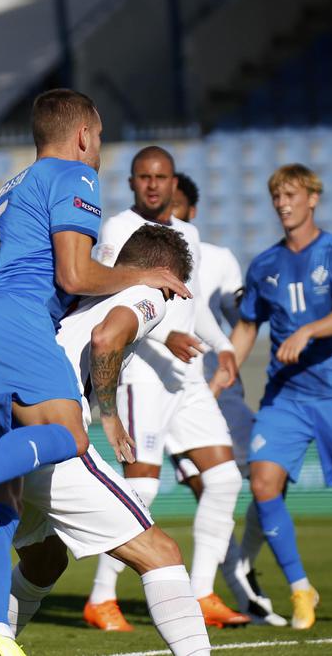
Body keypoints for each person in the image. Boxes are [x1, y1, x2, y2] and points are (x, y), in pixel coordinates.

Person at [0, 90, 189, 655]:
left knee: (1, 504)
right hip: (18, 325)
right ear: (85, 135)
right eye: (101, 138)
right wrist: (143, 275)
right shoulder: (74, 174)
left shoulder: (7, 190)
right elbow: (72, 274)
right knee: (66, 437)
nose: (99, 152)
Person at [0, 226, 213, 656]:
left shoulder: (70, 291)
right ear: (164, 276)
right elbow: (106, 337)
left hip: (14, 436)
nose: (168, 301)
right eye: (173, 292)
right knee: (162, 553)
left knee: (43, 561)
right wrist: (111, 418)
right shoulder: (148, 294)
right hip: (56, 439)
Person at [212, 164, 332, 630]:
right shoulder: (264, 265)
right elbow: (246, 327)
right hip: (285, 398)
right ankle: (300, 588)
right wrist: (223, 370)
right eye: (277, 196)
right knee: (262, 484)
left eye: (291, 195)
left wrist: (309, 332)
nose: (283, 203)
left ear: (312, 198)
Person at [83, 148, 249, 631]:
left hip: (187, 377)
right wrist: (162, 333)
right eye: (144, 177)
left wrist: (224, 347)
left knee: (224, 480)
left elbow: (191, 308)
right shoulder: (117, 229)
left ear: (174, 182)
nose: (153, 185)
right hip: (142, 372)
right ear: (132, 182)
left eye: (161, 177)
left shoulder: (189, 234)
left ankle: (200, 593)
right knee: (142, 485)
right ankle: (101, 598)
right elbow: (109, 297)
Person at [168, 175, 286, 626]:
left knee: (268, 477)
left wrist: (227, 360)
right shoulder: (141, 248)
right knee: (209, 486)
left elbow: (243, 319)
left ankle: (241, 566)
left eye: (179, 207)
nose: (172, 216)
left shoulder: (216, 258)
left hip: (224, 391)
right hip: (176, 389)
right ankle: (238, 593)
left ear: (191, 211)